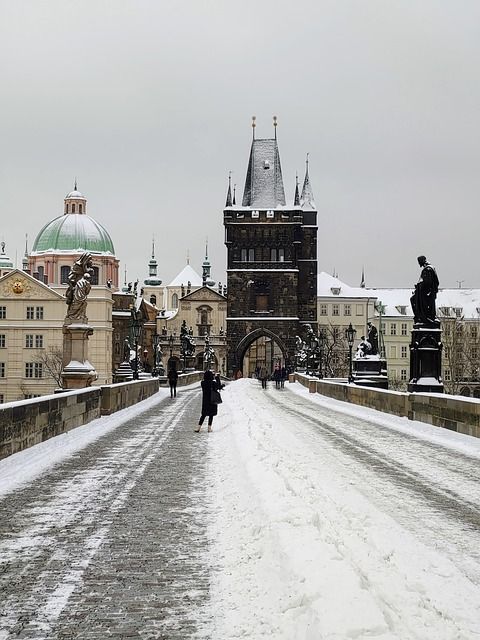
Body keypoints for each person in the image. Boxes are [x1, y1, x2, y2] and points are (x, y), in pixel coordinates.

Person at [410, 255, 439, 325]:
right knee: (413, 299)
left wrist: (419, 287)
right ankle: (420, 317)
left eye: (419, 262)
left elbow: (427, 283)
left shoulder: (427, 269)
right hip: (428, 293)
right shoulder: (430, 269)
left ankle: (422, 317)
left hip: (426, 294)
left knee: (413, 300)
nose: (419, 263)